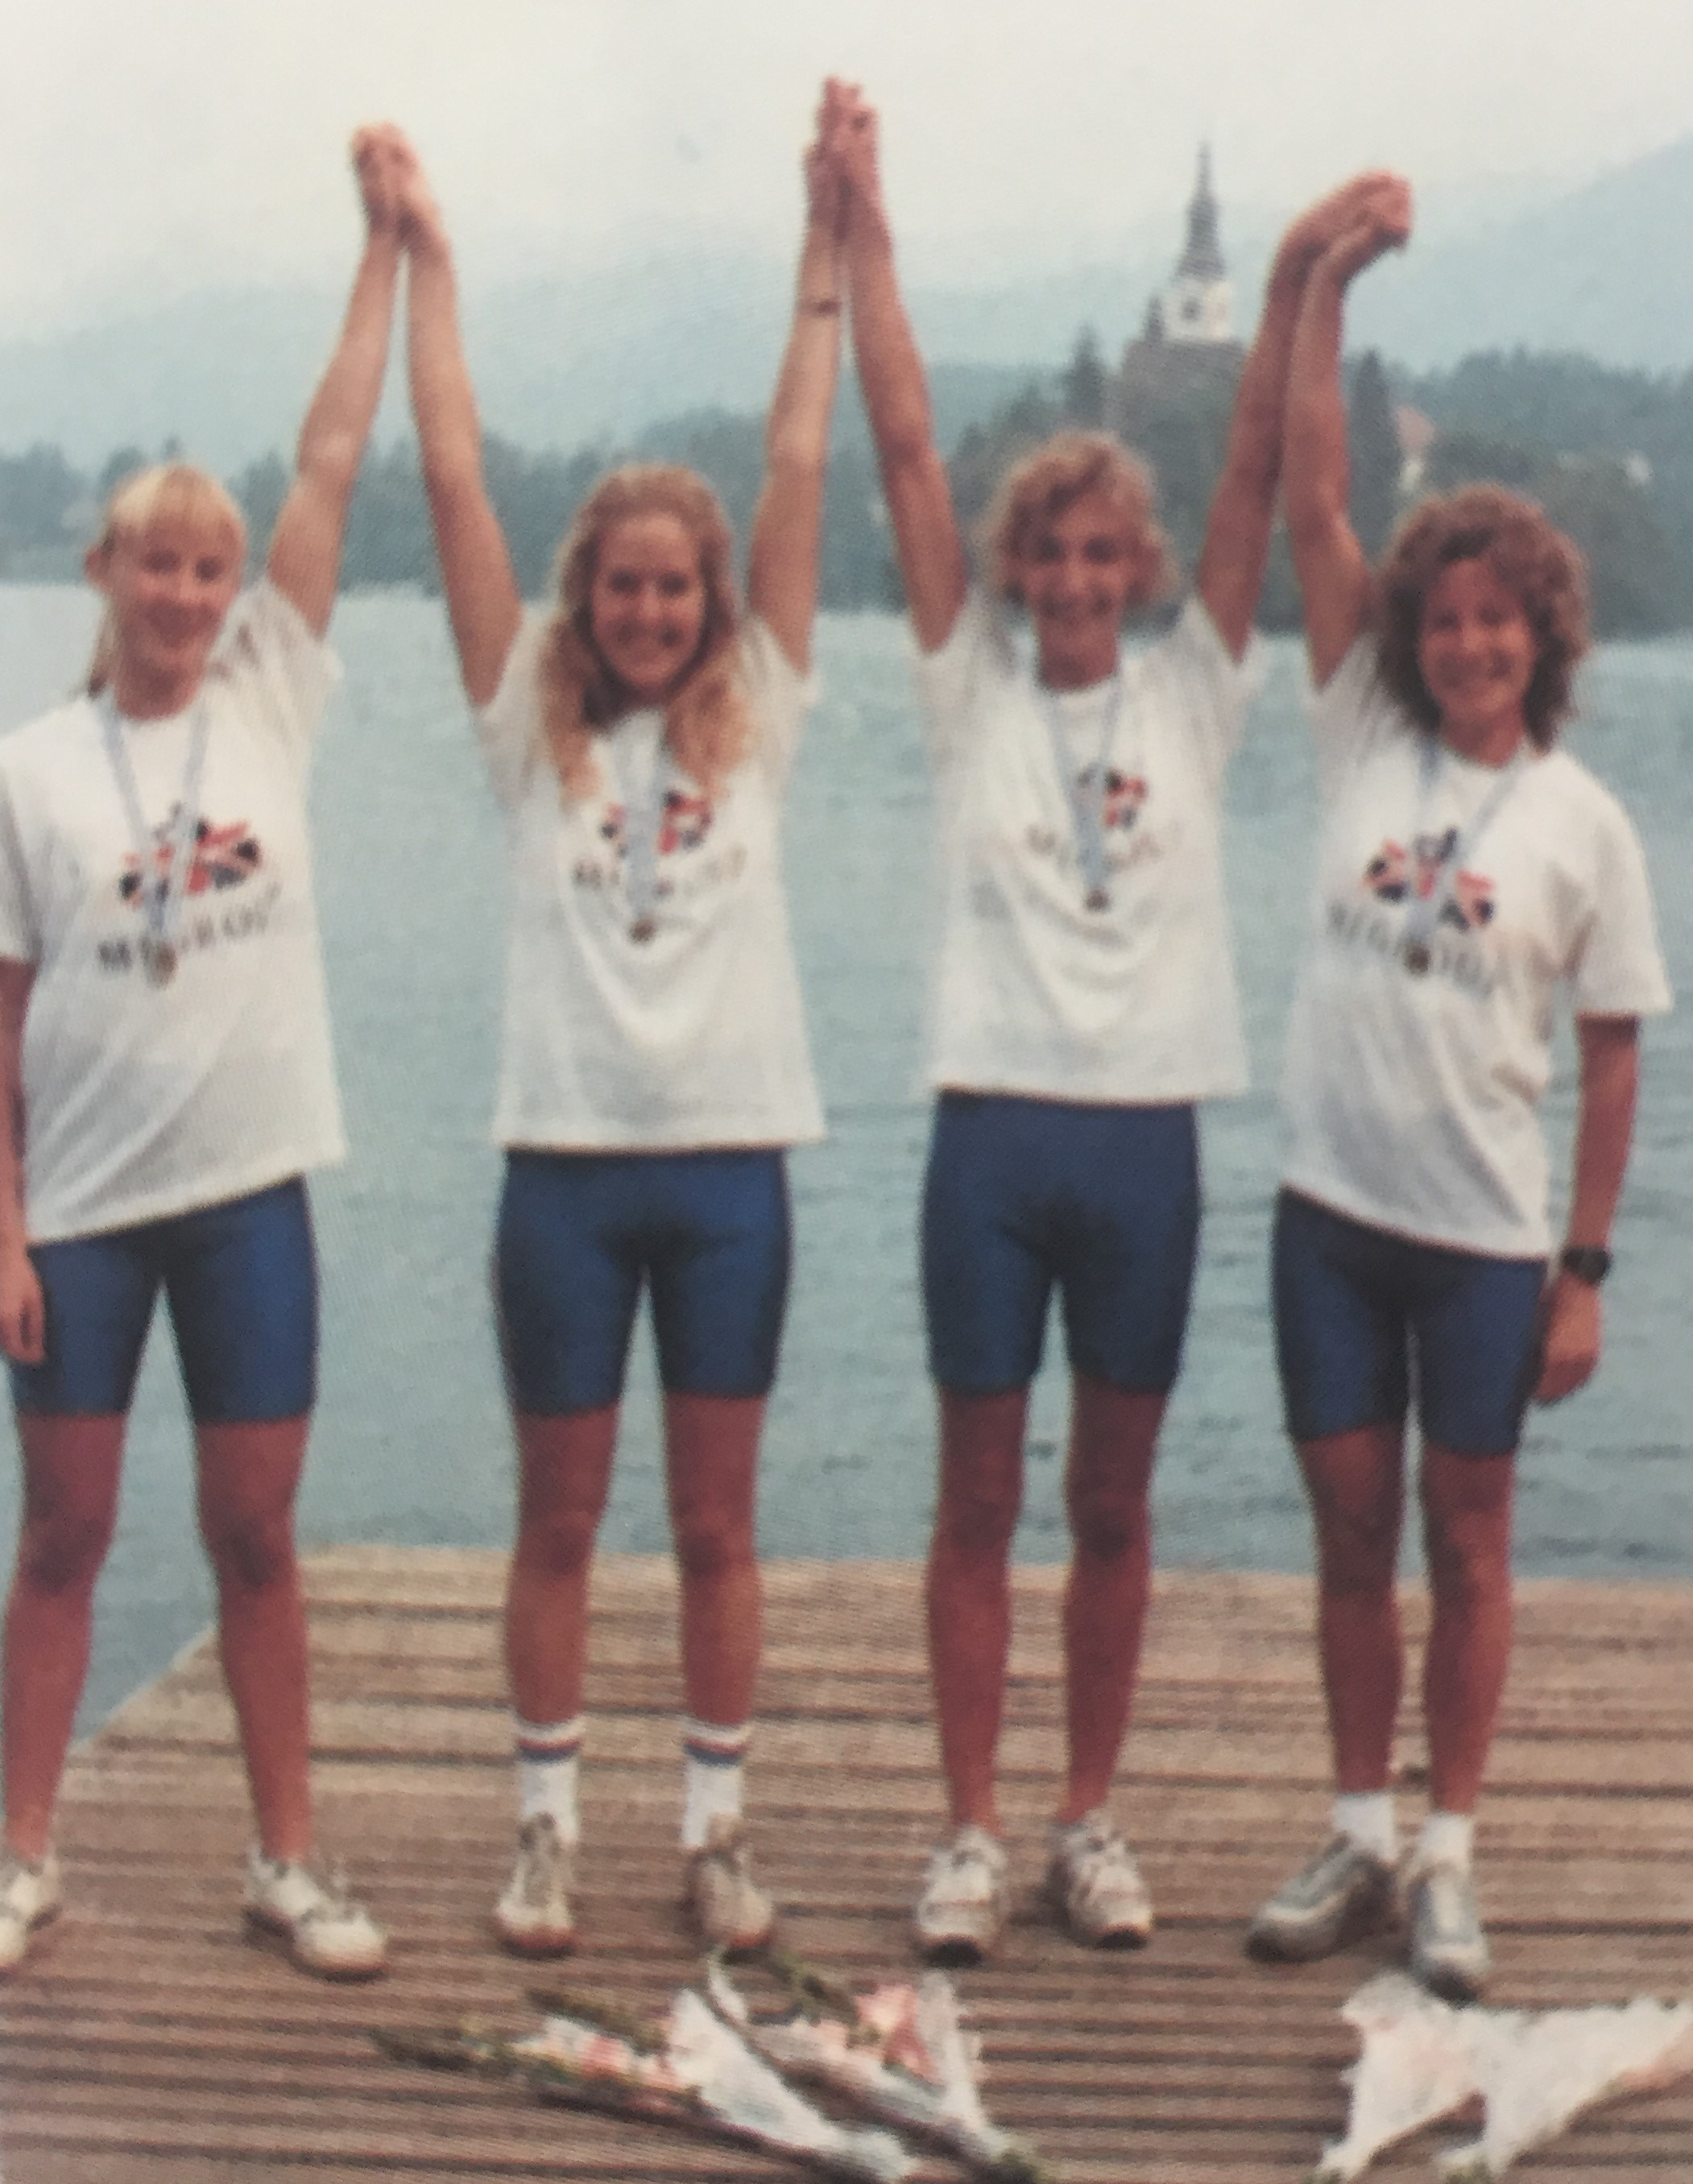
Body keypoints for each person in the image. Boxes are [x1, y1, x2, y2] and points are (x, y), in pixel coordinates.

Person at [829, 81, 1400, 1962]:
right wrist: (865, 226)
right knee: (977, 1494)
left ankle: (1087, 1821)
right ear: (1013, 574)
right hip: (990, 1134)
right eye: (1046, 559)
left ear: (1139, 576)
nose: (1074, 584)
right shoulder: (964, 696)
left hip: (1142, 1135)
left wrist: (1309, 268)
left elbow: (1254, 475)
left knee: (1115, 1498)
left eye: (1103, 560)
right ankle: (973, 1836)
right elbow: (907, 452)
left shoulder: (1198, 698)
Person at [395, 104, 841, 1956]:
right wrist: (430, 254)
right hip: (564, 1180)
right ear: (585, 599)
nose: (647, 609)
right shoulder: (524, 728)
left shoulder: (769, 714)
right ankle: (547, 1831)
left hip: (728, 1171)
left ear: (710, 604)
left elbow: (802, 457)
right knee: (559, 1526)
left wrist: (828, 244)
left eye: (676, 585)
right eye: (621, 584)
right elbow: (450, 476)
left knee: (719, 1530)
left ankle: (716, 1835)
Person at [1244, 183, 1670, 2000]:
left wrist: (1582, 1271)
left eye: (1502, 626)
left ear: (1544, 640)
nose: (1469, 648)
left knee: (1467, 1540)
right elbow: (1315, 493)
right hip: (1331, 1222)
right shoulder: (1360, 723)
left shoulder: (1585, 825)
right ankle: (1354, 1831)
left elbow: (1611, 1047)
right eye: (1448, 621)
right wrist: (1323, 285)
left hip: (1487, 1244)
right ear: (1411, 634)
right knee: (1350, 1531)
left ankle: (1451, 1857)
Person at [0, 127, 411, 1981]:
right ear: (101, 568)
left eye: (211, 566)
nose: (184, 593)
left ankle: (286, 1859)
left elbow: (332, 456)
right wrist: (3, 1225)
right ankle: (20, 1856)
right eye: (157, 566)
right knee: (65, 1540)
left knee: (258, 1539)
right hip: (79, 1210)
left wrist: (383, 253)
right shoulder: (24, 767)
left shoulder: (269, 693)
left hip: (245, 1195)